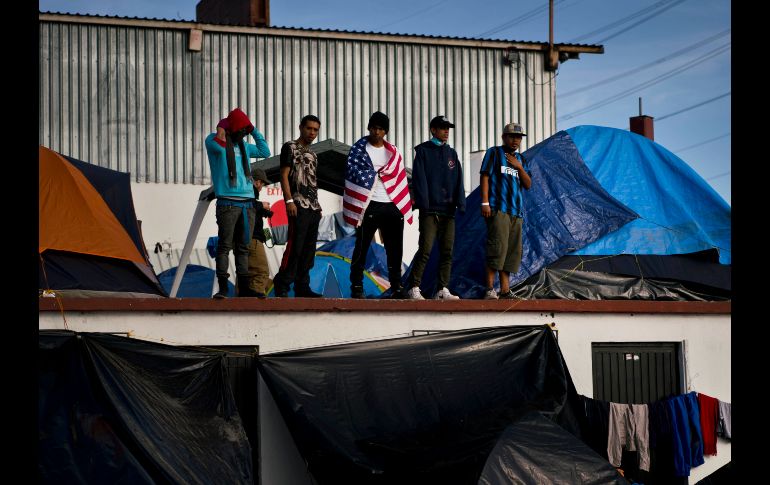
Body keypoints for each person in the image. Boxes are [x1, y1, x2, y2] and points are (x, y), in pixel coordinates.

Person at [344, 111, 413, 299]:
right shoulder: (359, 150)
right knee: (362, 245)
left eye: (381, 129)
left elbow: (400, 177)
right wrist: (376, 175)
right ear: (369, 128)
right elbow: (353, 173)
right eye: (374, 127)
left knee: (395, 247)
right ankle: (356, 285)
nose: (377, 131)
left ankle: (397, 285)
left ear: (386, 131)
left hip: (392, 203)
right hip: (369, 203)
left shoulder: (393, 152)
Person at [206, 108, 271, 298]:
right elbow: (219, 141)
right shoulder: (213, 141)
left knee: (243, 247)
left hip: (248, 203)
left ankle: (243, 289)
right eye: (241, 129)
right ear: (232, 128)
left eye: (245, 130)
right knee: (225, 246)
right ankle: (224, 288)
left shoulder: (244, 147)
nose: (243, 133)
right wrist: (222, 125)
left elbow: (264, 151)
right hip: (227, 202)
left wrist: (253, 130)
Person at [407, 115, 466, 300]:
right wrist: (424, 204)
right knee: (425, 249)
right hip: (429, 210)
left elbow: (458, 179)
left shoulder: (452, 153)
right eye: (442, 127)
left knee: (447, 251)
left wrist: (460, 203)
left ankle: (442, 289)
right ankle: (414, 287)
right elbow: (419, 179)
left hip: (448, 211)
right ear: (433, 129)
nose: (446, 131)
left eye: (448, 128)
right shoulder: (423, 151)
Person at [479, 122, 532, 299]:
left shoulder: (521, 160)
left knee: (511, 252)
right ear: (504, 137)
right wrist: (485, 202)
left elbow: (528, 184)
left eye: (518, 137)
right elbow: (485, 176)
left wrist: (519, 167)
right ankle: (489, 289)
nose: (516, 140)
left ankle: (505, 290)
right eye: (512, 136)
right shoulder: (494, 153)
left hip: (516, 212)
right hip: (498, 208)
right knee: (497, 248)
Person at [272, 115, 323, 298]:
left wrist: (317, 206)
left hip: (313, 207)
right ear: (301, 127)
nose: (312, 133)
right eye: (309, 128)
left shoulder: (314, 155)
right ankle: (282, 282)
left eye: (315, 130)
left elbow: (312, 181)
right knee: (295, 247)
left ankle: (303, 286)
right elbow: (283, 175)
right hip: (297, 204)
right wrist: (288, 201)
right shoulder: (290, 147)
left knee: (309, 251)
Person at [247, 167, 274, 298]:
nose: (261, 187)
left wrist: (263, 211)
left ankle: (241, 296)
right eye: (262, 184)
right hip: (253, 239)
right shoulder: (250, 193)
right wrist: (261, 206)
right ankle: (255, 300)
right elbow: (247, 205)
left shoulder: (243, 192)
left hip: (243, 239)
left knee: (246, 272)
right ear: (257, 182)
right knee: (261, 272)